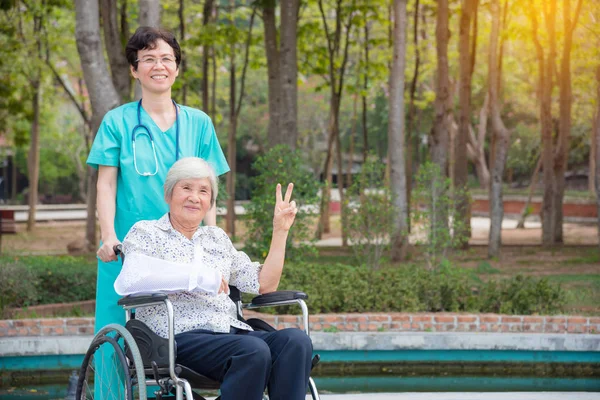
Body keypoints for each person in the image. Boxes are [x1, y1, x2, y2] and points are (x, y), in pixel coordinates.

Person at [114, 157, 313, 400]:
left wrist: (280, 231)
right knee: (253, 350)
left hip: (231, 334)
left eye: (203, 191)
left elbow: (264, 284)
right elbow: (130, 279)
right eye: (186, 188)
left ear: (210, 202)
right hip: (175, 338)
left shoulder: (217, 239)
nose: (194, 197)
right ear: (169, 194)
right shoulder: (146, 233)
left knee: (296, 342)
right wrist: (195, 276)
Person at [86, 26, 229, 338]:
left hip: (184, 249)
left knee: (188, 330)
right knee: (115, 331)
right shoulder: (117, 122)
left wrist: (214, 239)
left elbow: (209, 192)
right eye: (148, 59)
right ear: (135, 70)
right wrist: (108, 236)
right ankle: (115, 389)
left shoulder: (199, 123)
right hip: (127, 248)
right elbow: (106, 185)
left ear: (176, 68)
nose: (159, 66)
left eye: (166, 59)